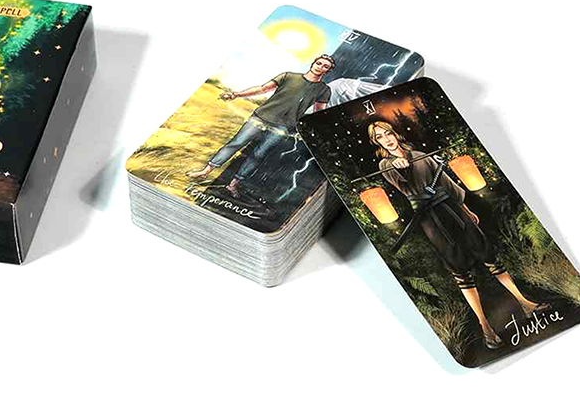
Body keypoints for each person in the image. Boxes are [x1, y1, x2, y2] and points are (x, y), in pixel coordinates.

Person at [369, 120, 548, 350]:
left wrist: (465, 208)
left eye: (388, 133)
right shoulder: (385, 164)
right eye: (380, 137)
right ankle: (486, 327)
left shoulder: (421, 155)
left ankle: (525, 304)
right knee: (459, 267)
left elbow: (446, 182)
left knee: (487, 253)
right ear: (377, 143)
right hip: (430, 218)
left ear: (395, 134)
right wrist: (399, 165)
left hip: (451, 207)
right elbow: (398, 178)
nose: (387, 139)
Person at [187, 55, 335, 197]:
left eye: (325, 66)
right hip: (261, 117)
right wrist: (236, 94)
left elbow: (318, 113)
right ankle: (205, 171)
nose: (320, 67)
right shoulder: (288, 76)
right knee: (235, 143)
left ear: (328, 71)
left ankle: (233, 184)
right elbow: (262, 89)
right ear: (313, 63)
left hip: (283, 127)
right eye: (319, 63)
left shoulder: (324, 90)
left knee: (258, 155)